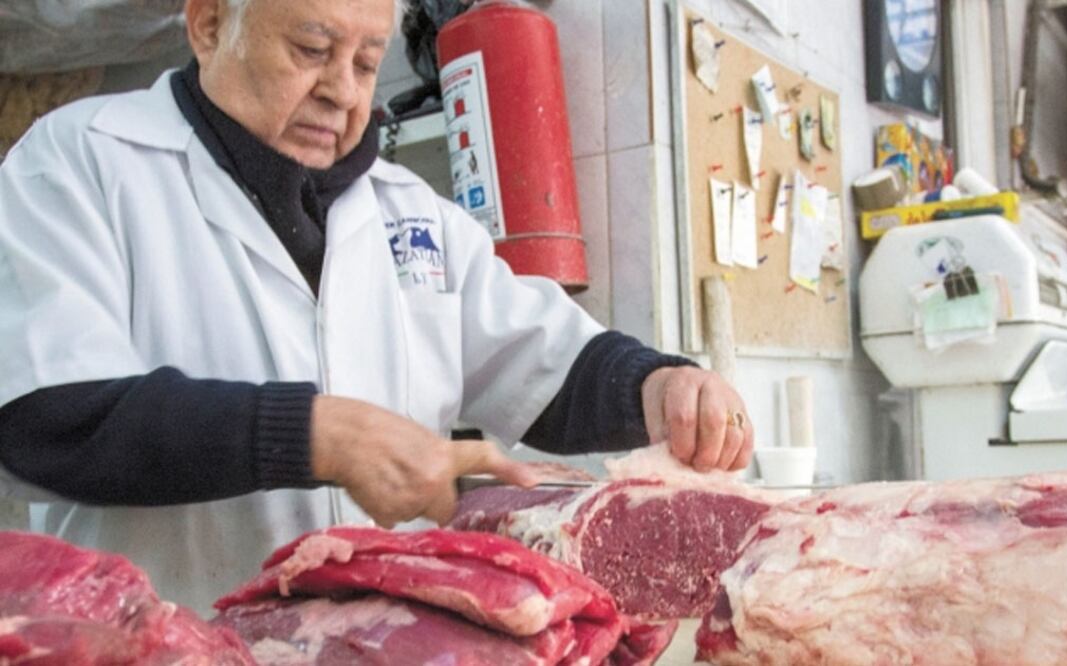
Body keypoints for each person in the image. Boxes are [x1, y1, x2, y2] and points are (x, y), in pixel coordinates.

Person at [0, 0, 753, 613]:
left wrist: (654, 384)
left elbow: (541, 358)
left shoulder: (406, 211)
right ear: (207, 25)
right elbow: (50, 415)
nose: (344, 89)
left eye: (366, 60)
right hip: (163, 634)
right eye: (310, 48)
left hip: (376, 640)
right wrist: (316, 434)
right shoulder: (80, 159)